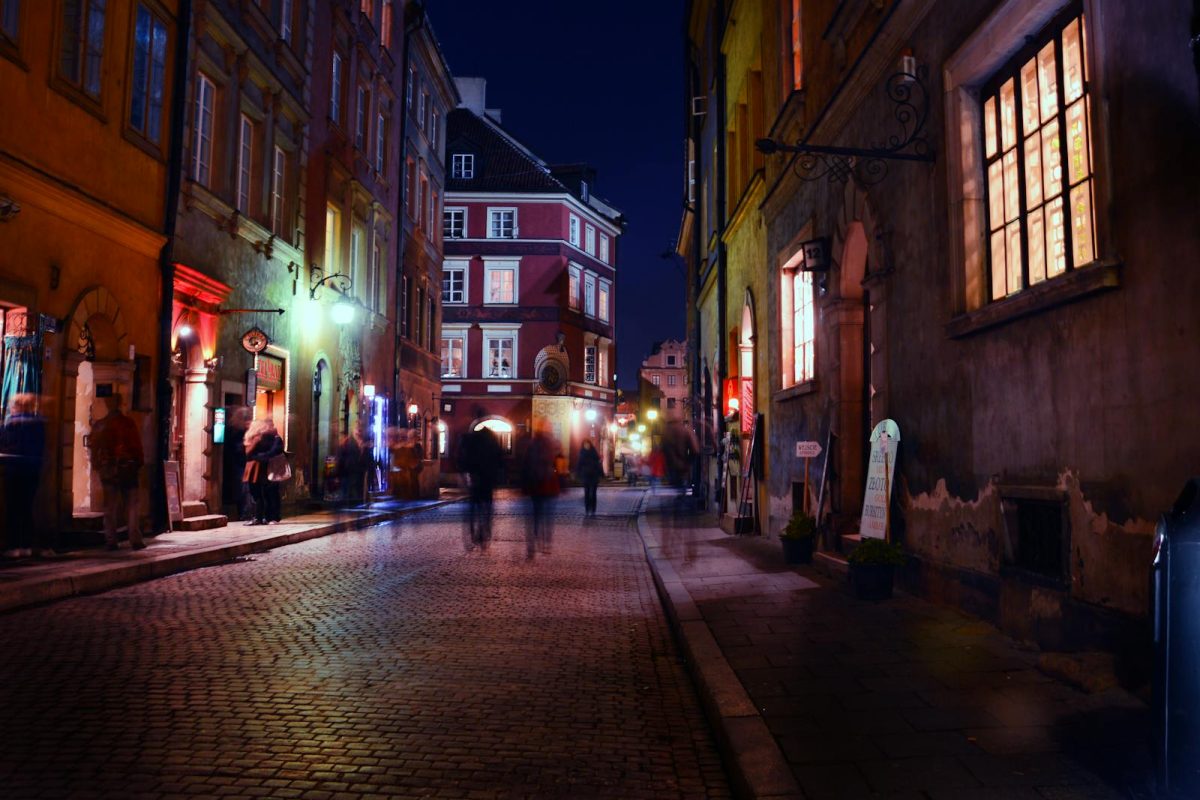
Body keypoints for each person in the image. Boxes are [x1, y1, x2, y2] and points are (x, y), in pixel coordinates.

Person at [89, 393, 145, 550]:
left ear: (107, 404)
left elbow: (94, 447)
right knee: (131, 505)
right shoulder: (128, 423)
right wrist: (138, 462)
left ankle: (111, 540)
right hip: (128, 468)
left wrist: (96, 464)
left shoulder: (101, 425)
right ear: (120, 404)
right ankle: (135, 539)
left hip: (108, 469)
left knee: (109, 507)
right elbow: (136, 446)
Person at [0, 394, 46, 558]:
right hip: (32, 471)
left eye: (13, 406)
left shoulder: (12, 424)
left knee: (13, 509)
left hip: (14, 470)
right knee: (26, 508)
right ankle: (26, 544)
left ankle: (14, 545)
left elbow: (4, 444)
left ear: (17, 407)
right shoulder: (38, 424)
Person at [457, 413, 503, 550]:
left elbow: (464, 459)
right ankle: (485, 531)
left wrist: (463, 474)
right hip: (487, 480)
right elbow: (500, 460)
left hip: (475, 479)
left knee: (473, 507)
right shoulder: (492, 442)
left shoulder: (472, 440)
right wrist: (499, 476)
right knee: (487, 508)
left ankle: (472, 533)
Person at [520, 421, 559, 558]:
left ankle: (533, 544)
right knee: (547, 516)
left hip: (535, 484)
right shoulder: (551, 444)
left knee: (536, 515)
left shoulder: (531, 444)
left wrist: (523, 485)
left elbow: (525, 465)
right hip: (547, 484)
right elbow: (558, 463)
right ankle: (545, 542)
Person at [244, 417, 283, 525]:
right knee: (260, 493)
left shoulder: (268, 438)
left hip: (263, 468)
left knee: (267, 493)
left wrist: (257, 456)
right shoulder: (258, 437)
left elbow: (272, 452)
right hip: (256, 467)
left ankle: (267, 517)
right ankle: (261, 517)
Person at [336, 430, 366, 506]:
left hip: (349, 472)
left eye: (342, 437)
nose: (341, 439)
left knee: (349, 490)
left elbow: (342, 460)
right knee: (347, 491)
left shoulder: (347, 446)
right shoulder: (346, 446)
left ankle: (349, 504)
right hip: (347, 472)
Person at [576, 438, 603, 517]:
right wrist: (578, 474)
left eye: (587, 444)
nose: (586, 445)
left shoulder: (594, 452)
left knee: (593, 493)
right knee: (587, 493)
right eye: (585, 444)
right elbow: (579, 464)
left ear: (590, 444)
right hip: (586, 476)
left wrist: (601, 473)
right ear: (583, 445)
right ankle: (587, 509)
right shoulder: (581, 453)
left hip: (594, 476)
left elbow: (598, 464)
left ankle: (593, 510)